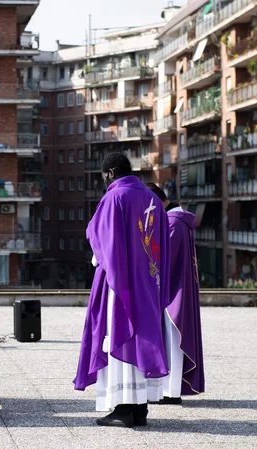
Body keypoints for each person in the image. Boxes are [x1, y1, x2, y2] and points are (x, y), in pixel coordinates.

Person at [74, 153, 171, 427]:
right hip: (150, 284)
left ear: (111, 173)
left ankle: (124, 408)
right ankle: (141, 409)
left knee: (120, 337)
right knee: (141, 340)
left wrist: (100, 259)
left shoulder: (114, 198)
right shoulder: (153, 200)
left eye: (104, 176)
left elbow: (101, 240)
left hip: (121, 285)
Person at [146, 183, 205, 404]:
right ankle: (168, 390)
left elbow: (161, 260)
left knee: (172, 340)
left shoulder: (173, 223)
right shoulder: (177, 219)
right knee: (171, 340)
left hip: (173, 293)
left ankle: (170, 392)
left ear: (158, 201)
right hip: (177, 288)